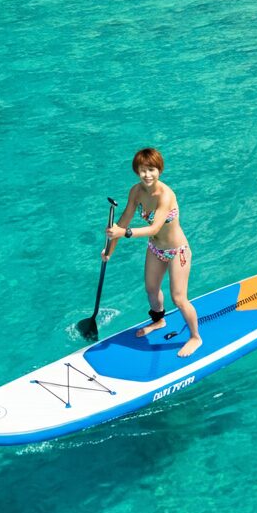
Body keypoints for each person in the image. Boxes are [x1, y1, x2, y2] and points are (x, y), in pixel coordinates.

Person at [104, 147, 203, 358]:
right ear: (136, 171)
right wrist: (109, 250)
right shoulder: (136, 192)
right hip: (156, 249)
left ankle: (195, 337)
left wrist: (124, 232)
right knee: (151, 290)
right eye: (142, 170)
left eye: (152, 169)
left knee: (179, 298)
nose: (147, 175)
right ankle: (159, 321)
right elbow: (123, 222)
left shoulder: (165, 195)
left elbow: (154, 228)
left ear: (159, 170)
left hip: (178, 251)